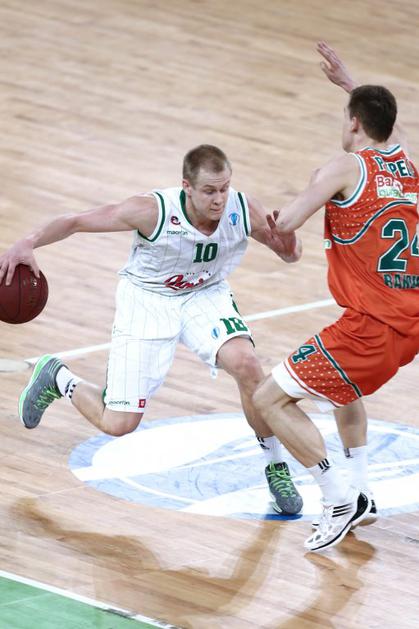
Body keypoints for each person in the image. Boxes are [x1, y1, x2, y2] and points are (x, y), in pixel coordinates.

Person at [0, 144, 308, 514]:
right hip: (147, 300)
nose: (219, 199)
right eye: (209, 191)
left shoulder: (243, 209)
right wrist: (27, 242)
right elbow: (77, 221)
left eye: (225, 188)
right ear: (187, 187)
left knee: (247, 364)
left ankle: (275, 467)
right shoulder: (151, 211)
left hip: (204, 294)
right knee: (119, 423)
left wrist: (289, 246)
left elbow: (290, 254)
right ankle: (57, 377)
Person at [253, 41, 419, 551]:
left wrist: (246, 215)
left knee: (268, 399)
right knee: (344, 390)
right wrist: (352, 84)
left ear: (353, 123)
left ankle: (339, 496)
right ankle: (362, 489)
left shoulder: (344, 168)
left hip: (369, 327)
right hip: (407, 326)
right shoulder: (406, 165)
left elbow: (287, 222)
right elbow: (391, 131)